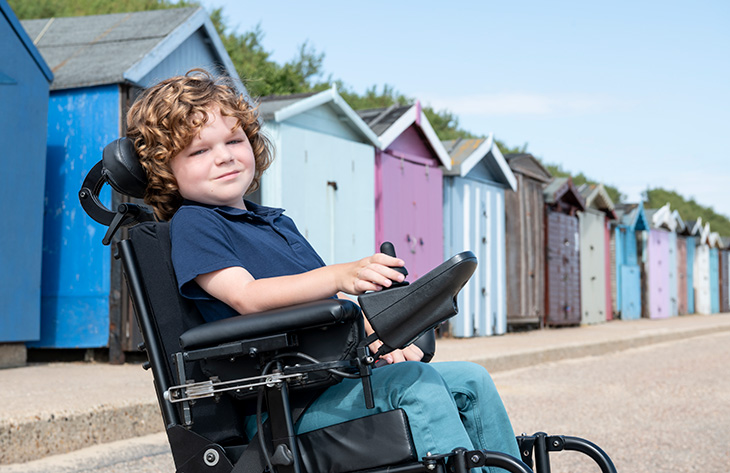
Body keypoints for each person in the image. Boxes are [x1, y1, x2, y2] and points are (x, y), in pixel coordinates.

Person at [126, 68, 520, 471]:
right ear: (164, 169)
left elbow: (326, 311)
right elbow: (247, 296)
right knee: (414, 389)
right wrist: (340, 274)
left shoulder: (276, 223)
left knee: (471, 380)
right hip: (279, 404)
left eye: (234, 139)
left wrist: (385, 339)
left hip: (331, 382)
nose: (225, 156)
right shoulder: (196, 223)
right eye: (199, 151)